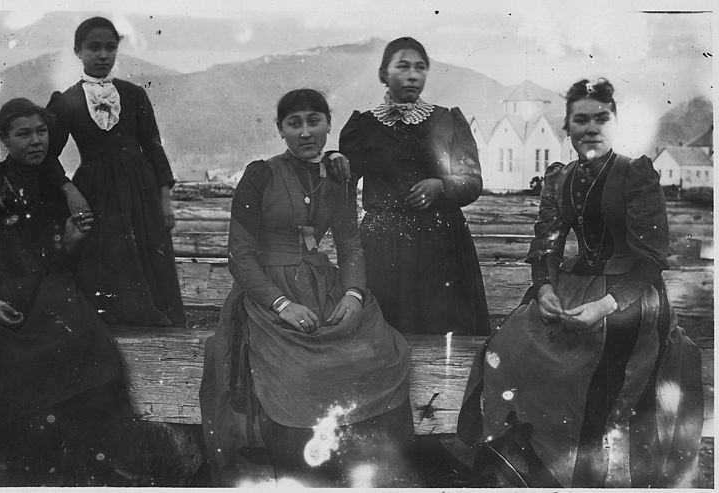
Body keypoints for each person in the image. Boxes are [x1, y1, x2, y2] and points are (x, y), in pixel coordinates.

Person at [454, 78, 703, 487]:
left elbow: (652, 260)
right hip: (574, 286)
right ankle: (523, 464)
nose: (591, 128)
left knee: (586, 368)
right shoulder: (560, 177)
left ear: (616, 123)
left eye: (601, 118)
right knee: (505, 347)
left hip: (631, 297)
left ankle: (582, 474)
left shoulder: (636, 173)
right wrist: (546, 289)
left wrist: (605, 306)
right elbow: (547, 245)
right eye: (580, 120)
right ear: (567, 128)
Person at [199, 89, 413, 487]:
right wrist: (282, 305)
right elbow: (239, 256)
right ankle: (301, 475)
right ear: (280, 129)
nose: (305, 131)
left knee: (380, 353)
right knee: (299, 373)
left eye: (313, 120)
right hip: (268, 295)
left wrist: (352, 294)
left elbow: (349, 245)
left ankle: (368, 472)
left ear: (328, 124)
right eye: (293, 123)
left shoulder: (338, 175)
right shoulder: (260, 174)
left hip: (325, 287)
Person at [0, 98, 134, 485]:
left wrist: (73, 240)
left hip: (43, 283)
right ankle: (18, 463)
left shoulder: (55, 187)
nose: (35, 141)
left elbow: (51, 255)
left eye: (41, 132)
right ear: (4, 139)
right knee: (13, 357)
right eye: (23, 134)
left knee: (91, 344)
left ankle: (90, 460)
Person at [339, 36, 489, 336]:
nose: (412, 74)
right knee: (385, 334)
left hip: (442, 244)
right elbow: (343, 187)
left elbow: (472, 181)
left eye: (420, 67)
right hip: (383, 246)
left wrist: (441, 185)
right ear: (384, 74)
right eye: (402, 66)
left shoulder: (448, 120)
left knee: (443, 331)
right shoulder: (363, 126)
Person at [43, 16, 185, 327]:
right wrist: (69, 189)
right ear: (78, 51)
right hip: (97, 190)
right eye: (94, 48)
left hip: (141, 189)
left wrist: (164, 197)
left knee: (147, 252)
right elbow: (47, 155)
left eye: (110, 48)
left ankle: (154, 321)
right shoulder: (66, 101)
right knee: (110, 256)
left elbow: (153, 146)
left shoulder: (134, 94)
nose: (103, 55)